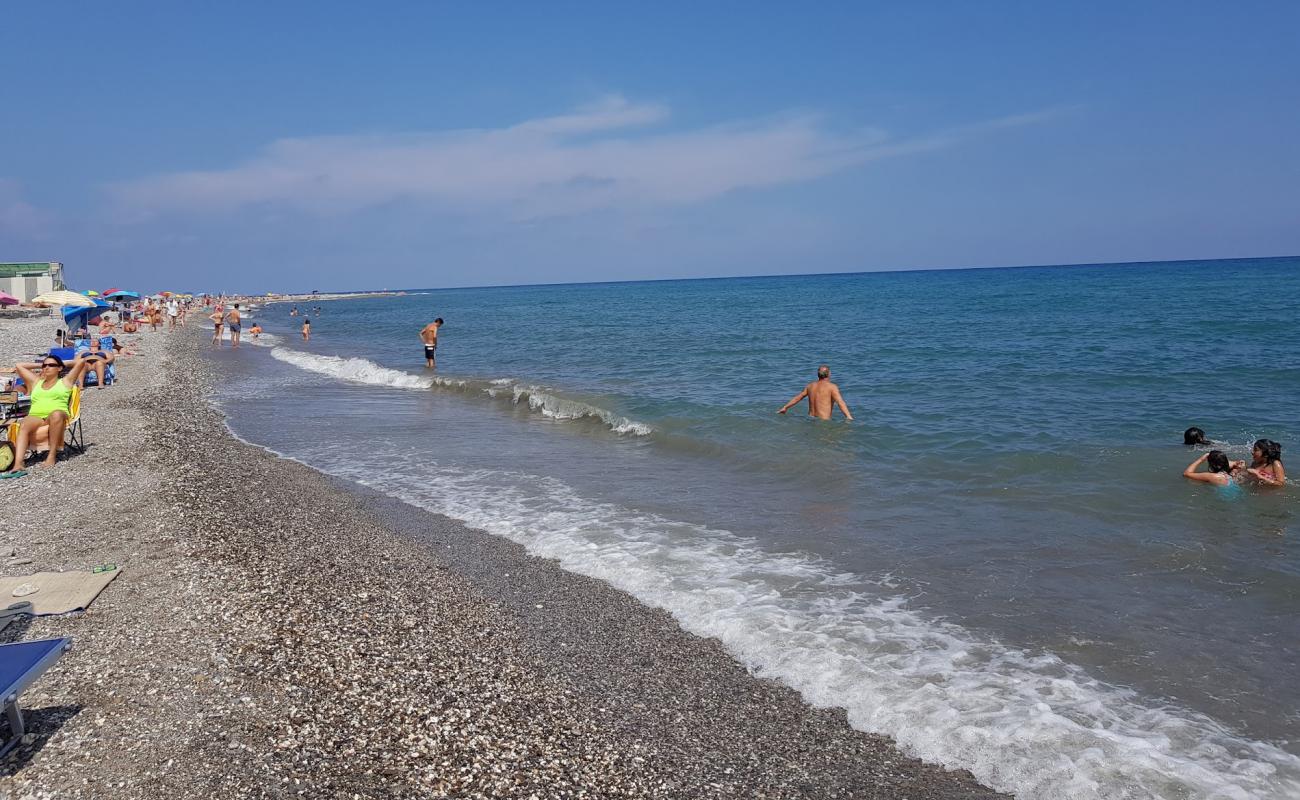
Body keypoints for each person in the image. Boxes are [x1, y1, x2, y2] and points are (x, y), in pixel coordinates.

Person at [7, 355, 91, 471]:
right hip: (37, 416)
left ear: (60, 368)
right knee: (24, 423)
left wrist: (60, 363)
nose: (46, 368)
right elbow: (19, 366)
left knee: (56, 414)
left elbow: (81, 361)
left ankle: (51, 456)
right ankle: (18, 463)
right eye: (44, 366)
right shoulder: (36, 382)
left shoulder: (65, 381)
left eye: (51, 365)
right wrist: (42, 364)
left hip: (58, 415)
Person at [778, 365, 853, 421]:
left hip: (810, 419)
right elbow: (840, 402)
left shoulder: (810, 386)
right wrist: (848, 416)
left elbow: (798, 398)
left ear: (818, 374)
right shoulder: (832, 387)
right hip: (823, 422)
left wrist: (785, 407)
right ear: (829, 374)